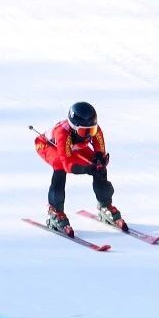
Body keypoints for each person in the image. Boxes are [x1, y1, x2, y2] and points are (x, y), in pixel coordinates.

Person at [33, 101, 125, 236]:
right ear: (74, 127)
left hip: (74, 146)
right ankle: (55, 211)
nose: (89, 134)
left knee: (99, 167)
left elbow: (100, 149)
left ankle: (105, 205)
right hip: (48, 146)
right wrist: (88, 169)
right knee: (59, 167)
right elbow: (68, 165)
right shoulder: (62, 133)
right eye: (84, 131)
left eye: (92, 130)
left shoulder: (94, 130)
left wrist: (99, 161)